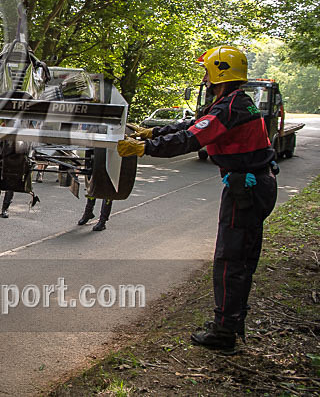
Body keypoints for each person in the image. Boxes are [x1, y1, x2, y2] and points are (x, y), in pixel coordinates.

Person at [117, 46, 277, 354]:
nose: (204, 76)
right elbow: (190, 125)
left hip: (247, 189)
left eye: (207, 70)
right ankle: (229, 324)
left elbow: (191, 138)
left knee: (231, 260)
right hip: (253, 185)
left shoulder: (230, 108)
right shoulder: (231, 103)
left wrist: (144, 149)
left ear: (219, 72)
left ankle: (225, 332)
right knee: (239, 257)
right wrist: (152, 132)